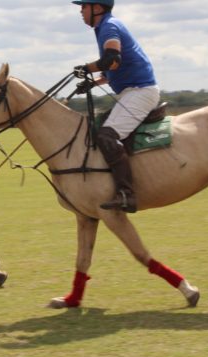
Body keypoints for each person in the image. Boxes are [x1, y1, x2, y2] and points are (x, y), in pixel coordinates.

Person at [71, 0, 160, 213]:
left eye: (84, 6)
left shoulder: (109, 26)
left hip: (140, 91)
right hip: (132, 91)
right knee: (99, 128)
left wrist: (86, 68)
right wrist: (93, 82)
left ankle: (126, 194)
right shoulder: (104, 27)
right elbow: (112, 70)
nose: (81, 10)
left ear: (97, 8)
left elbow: (113, 59)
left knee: (106, 136)